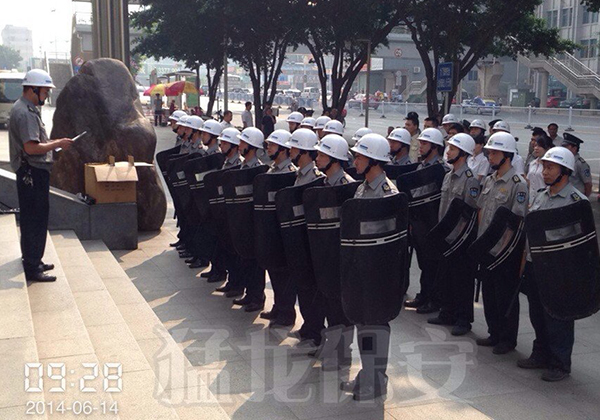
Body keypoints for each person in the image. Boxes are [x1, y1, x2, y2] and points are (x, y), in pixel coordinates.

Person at [518, 147, 587, 382]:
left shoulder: (576, 202)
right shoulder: (540, 194)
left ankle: (560, 363)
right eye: (544, 167)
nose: (545, 172)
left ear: (565, 172)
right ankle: (541, 353)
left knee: (558, 317)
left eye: (550, 168)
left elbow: (582, 244)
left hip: (559, 271)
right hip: (536, 265)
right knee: (537, 313)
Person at [341, 133, 398, 401]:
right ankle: (367, 375)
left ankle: (378, 381)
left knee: (376, 324)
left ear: (374, 161)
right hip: (360, 270)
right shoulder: (362, 187)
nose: (355, 160)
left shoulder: (388, 194)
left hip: (379, 274)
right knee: (363, 323)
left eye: (361, 156)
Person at [9, 69, 74, 282]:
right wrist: (58, 143)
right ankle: (33, 266)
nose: (46, 96)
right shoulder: (25, 113)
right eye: (45, 92)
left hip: (32, 172)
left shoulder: (26, 108)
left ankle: (33, 259)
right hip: (32, 172)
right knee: (35, 219)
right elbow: (31, 148)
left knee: (33, 218)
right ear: (33, 89)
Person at [476, 131, 528, 354]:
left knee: (505, 294)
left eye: (495, 153)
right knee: (489, 292)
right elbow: (480, 211)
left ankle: (508, 339)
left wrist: (503, 249)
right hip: (487, 248)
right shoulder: (489, 180)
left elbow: (517, 221)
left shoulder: (518, 185)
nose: (490, 156)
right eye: (489, 152)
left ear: (507, 156)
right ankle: (494, 332)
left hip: (505, 252)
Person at [427, 133, 480, 335]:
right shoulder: (449, 176)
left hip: (461, 239)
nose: (448, 152)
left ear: (463, 154)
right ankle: (447, 312)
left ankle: (463, 319)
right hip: (445, 236)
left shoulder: (470, 180)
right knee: (446, 276)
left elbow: (470, 213)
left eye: (452, 149)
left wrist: (458, 239)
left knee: (462, 280)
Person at [404, 128, 446, 314]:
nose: (420, 147)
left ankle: (434, 299)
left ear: (435, 147)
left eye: (425, 143)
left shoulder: (441, 170)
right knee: (423, 262)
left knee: (433, 264)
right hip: (419, 223)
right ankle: (424, 295)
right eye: (420, 143)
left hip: (433, 224)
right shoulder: (420, 167)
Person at [260, 129, 297, 327]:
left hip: (284, 231)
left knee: (285, 274)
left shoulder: (290, 173)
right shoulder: (272, 169)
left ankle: (287, 311)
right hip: (271, 230)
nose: (268, 148)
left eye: (272, 145)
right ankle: (278, 306)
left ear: (283, 149)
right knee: (274, 271)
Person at [232, 127, 267, 312]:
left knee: (255, 262)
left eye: (243, 143)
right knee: (245, 259)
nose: (239, 146)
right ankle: (249, 294)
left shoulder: (258, 169)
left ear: (252, 147)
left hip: (255, 223)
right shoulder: (243, 166)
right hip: (243, 222)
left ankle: (258, 296)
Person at [561, 133, 592, 197]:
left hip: (576, 197)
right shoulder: (563, 161)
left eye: (566, 146)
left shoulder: (580, 164)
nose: (563, 148)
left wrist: (585, 198)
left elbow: (588, 184)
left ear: (574, 148)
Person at [525, 135, 553, 205]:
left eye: (539, 146)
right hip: (531, 201)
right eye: (535, 146)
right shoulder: (532, 163)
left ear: (547, 148)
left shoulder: (550, 166)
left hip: (544, 201)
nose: (536, 148)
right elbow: (529, 183)